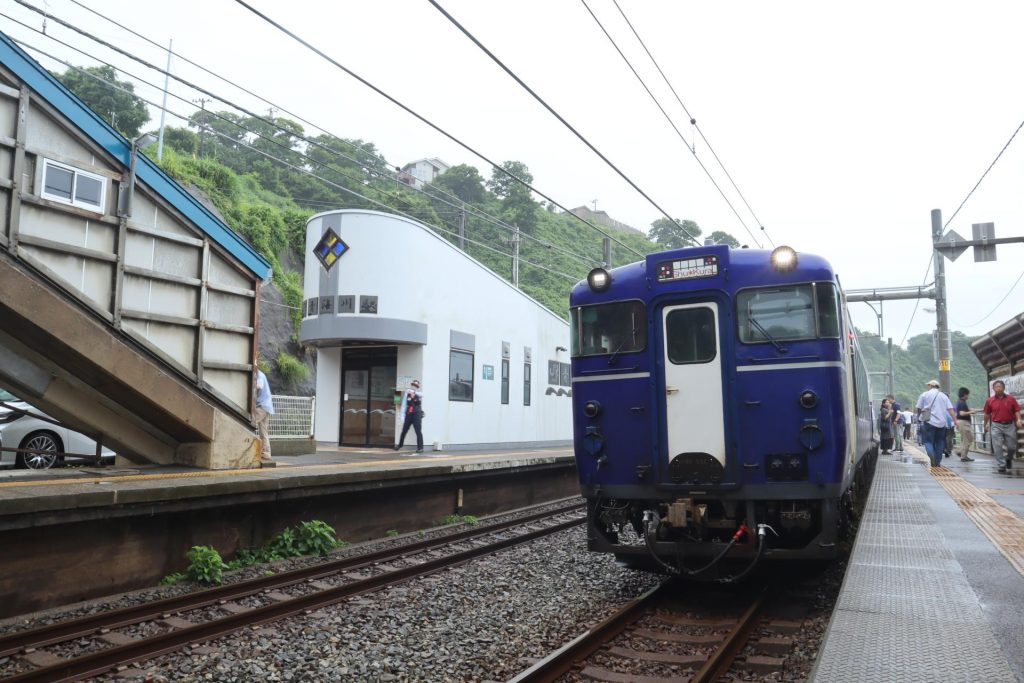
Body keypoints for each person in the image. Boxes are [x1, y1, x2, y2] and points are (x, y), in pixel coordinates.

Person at [983, 380, 1022, 474]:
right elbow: (987, 414)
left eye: (1000, 386)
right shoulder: (989, 400)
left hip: (1010, 425)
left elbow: (1016, 410)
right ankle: (1001, 464)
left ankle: (1009, 458)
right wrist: (985, 424)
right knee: (997, 446)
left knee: (1012, 446)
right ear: (993, 389)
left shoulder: (1011, 399)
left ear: (1004, 388)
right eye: (996, 387)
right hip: (996, 425)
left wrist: (1019, 420)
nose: (998, 388)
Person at [916, 379, 956, 469]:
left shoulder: (924, 394)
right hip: (941, 423)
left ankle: (931, 455)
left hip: (928, 421)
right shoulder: (943, 396)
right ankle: (937, 462)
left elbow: (918, 408)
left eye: (928, 385)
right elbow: (950, 409)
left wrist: (919, 417)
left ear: (930, 385)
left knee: (928, 441)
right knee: (940, 441)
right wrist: (955, 420)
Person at [395, 379, 424, 454]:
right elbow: (404, 405)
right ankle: (400, 445)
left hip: (417, 414)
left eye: (415, 386)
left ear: (417, 387)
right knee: (404, 431)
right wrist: (402, 416)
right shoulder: (407, 393)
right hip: (409, 414)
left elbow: (422, 395)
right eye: (413, 385)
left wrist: (414, 392)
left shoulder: (419, 394)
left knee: (418, 431)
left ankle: (420, 448)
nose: (414, 387)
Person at [254, 368, 274, 461]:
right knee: (264, 432)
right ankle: (266, 453)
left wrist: (250, 384)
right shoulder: (260, 374)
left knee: (250, 423)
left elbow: (259, 386)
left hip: (262, 406)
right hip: (267, 407)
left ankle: (246, 448)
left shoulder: (260, 375)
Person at [955, 387, 976, 462]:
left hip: (963, 423)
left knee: (967, 439)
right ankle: (963, 456)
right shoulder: (962, 403)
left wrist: (979, 410)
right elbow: (962, 413)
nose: (968, 396)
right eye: (967, 394)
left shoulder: (961, 402)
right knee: (968, 439)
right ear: (964, 394)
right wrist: (971, 412)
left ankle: (960, 452)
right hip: (964, 423)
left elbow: (966, 410)